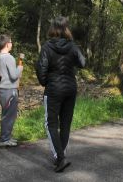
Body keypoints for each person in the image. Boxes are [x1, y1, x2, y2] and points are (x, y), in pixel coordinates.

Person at [36, 16, 86, 172]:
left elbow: (41, 70)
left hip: (54, 90)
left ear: (52, 28)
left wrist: (46, 82)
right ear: (66, 29)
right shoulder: (72, 46)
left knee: (50, 123)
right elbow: (83, 63)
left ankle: (60, 157)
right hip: (70, 88)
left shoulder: (47, 47)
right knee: (65, 124)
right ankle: (61, 156)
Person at [0, 34, 23, 147]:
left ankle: (6, 137)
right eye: (11, 42)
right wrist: (20, 67)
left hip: (3, 90)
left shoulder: (0, 57)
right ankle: (4, 139)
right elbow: (13, 75)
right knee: (9, 116)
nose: (12, 44)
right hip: (9, 90)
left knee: (6, 115)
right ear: (7, 44)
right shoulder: (9, 57)